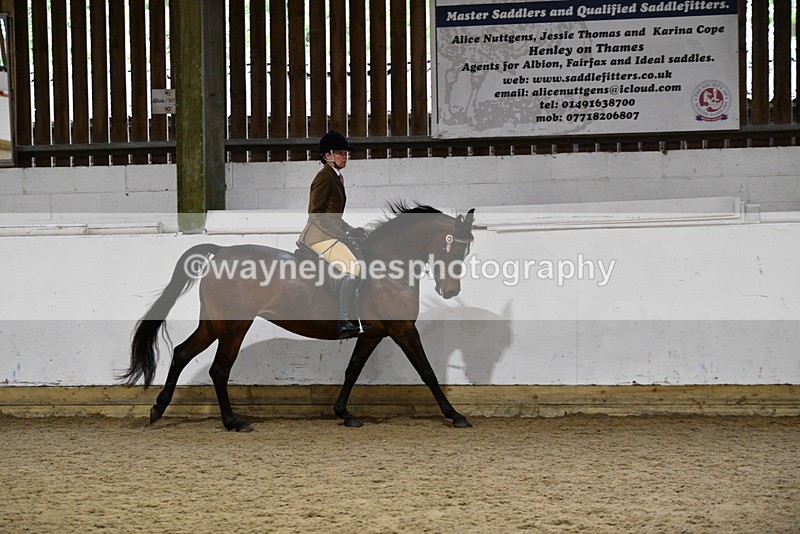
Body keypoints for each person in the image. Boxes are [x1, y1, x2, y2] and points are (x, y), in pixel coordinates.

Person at [299, 131, 371, 339]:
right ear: (327, 155)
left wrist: (349, 229)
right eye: (340, 153)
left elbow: (333, 216)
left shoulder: (336, 176)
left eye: (346, 153)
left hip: (329, 233)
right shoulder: (324, 176)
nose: (345, 156)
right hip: (319, 237)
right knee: (353, 268)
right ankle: (344, 321)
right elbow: (316, 214)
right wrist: (342, 234)